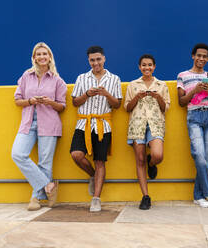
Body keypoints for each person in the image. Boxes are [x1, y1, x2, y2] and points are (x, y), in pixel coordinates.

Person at [12, 42, 67, 211]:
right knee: (18, 154)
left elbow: (62, 106)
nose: (42, 57)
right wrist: (30, 101)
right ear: (34, 57)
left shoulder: (57, 80)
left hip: (49, 124)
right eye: (39, 54)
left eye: (45, 54)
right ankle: (48, 185)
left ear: (50, 57)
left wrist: (50, 102)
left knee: (45, 163)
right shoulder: (26, 76)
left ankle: (36, 198)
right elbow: (17, 100)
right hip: (28, 123)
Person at [70, 46, 122, 212]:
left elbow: (117, 105)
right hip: (83, 123)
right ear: (89, 61)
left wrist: (106, 94)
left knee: (100, 161)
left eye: (98, 59)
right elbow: (74, 102)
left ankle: (96, 199)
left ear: (104, 59)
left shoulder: (114, 79)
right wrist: (87, 94)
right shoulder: (82, 78)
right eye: (92, 60)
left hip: (103, 125)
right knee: (76, 155)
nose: (96, 63)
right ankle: (93, 175)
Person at [124, 54, 170, 210]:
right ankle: (145, 196)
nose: (147, 68)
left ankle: (152, 163)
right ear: (139, 67)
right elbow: (127, 108)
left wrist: (158, 97)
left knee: (158, 155)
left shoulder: (161, 85)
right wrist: (137, 97)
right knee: (140, 160)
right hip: (137, 125)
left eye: (150, 65)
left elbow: (165, 108)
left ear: (154, 67)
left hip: (155, 125)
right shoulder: (133, 85)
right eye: (144, 65)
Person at [177, 43, 208, 208]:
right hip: (194, 115)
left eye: (205, 56)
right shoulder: (182, 75)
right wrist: (194, 91)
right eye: (199, 55)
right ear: (193, 56)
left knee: (207, 158)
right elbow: (181, 102)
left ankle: (198, 196)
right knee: (199, 154)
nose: (201, 58)